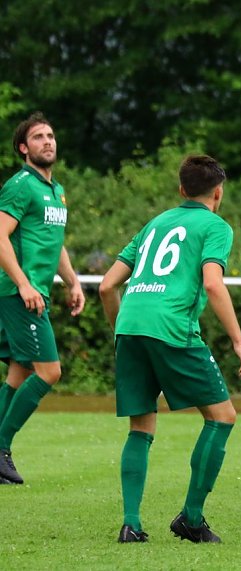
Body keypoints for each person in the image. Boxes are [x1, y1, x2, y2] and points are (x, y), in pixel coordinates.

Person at [99, 155, 241, 543]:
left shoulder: (155, 224)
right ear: (218, 193)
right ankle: (191, 518)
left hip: (131, 325)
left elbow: (106, 286)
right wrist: (239, 342)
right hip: (172, 327)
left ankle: (131, 525)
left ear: (182, 190)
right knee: (222, 417)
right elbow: (212, 285)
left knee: (141, 425)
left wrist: (124, 331)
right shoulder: (215, 226)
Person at [0, 113, 85, 485]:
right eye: (38, 137)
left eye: (50, 135)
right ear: (24, 148)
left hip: (36, 292)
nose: (47, 141)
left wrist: (73, 281)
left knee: (18, 372)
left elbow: (54, 241)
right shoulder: (20, 185)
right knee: (49, 371)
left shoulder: (56, 190)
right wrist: (23, 284)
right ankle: (1, 447)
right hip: (20, 293)